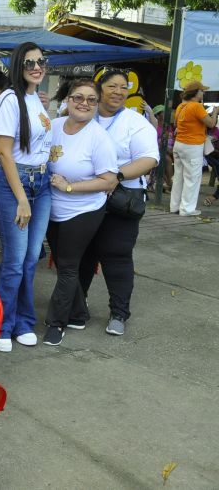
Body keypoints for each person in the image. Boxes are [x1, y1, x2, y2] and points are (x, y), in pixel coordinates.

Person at [78, 68, 159, 337]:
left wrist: (117, 176)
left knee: (117, 256)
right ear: (99, 89)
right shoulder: (82, 116)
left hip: (122, 200)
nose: (118, 92)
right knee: (83, 254)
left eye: (123, 87)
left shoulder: (136, 123)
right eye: (112, 86)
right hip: (84, 198)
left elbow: (149, 158)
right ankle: (78, 306)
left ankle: (119, 313)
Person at [0, 42, 53, 353]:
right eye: (29, 63)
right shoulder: (9, 99)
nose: (37, 66)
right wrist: (22, 198)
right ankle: (1, 325)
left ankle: (24, 322)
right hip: (15, 184)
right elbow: (3, 151)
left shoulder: (36, 99)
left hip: (42, 183)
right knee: (14, 260)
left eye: (41, 61)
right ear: (18, 66)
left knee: (29, 259)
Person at [43, 80, 118, 346]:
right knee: (65, 264)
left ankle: (56, 322)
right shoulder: (53, 126)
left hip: (84, 210)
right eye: (78, 97)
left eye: (91, 100)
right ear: (67, 99)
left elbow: (109, 181)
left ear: (97, 104)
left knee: (67, 267)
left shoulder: (99, 138)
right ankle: (78, 313)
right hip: (52, 209)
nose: (83, 103)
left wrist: (71, 186)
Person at [170, 80, 218, 216]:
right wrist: (215, 112)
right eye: (202, 90)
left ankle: (174, 206)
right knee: (192, 178)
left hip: (179, 145)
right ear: (196, 92)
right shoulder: (196, 107)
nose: (203, 93)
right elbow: (211, 124)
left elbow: (176, 123)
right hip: (192, 146)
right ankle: (187, 209)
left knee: (179, 177)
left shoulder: (181, 106)